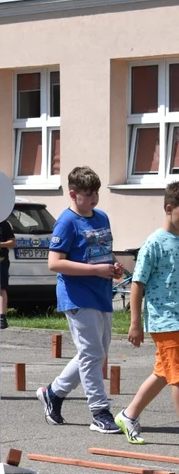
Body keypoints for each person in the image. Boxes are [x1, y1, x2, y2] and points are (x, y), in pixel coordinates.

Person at [37, 166, 124, 434]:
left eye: (96, 193)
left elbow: (102, 254)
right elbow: (55, 263)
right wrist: (96, 270)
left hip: (101, 293)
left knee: (96, 352)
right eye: (88, 194)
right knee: (92, 352)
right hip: (76, 296)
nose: (94, 199)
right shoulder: (66, 222)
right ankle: (99, 411)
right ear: (73, 195)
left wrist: (114, 267)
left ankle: (54, 393)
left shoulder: (101, 217)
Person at [117, 182, 179, 445]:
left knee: (164, 372)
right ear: (169, 208)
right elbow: (137, 283)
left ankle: (128, 415)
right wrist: (135, 324)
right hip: (165, 320)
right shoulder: (154, 243)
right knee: (177, 375)